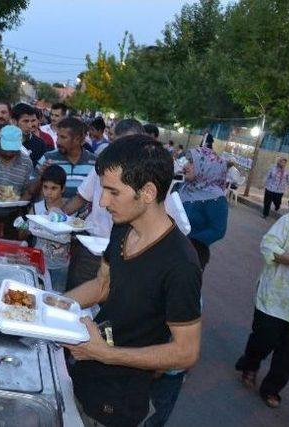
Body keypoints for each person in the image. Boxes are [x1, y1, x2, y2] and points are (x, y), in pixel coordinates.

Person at [64, 135, 202, 427]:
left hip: (121, 399)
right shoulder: (122, 228)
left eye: (113, 192)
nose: (102, 202)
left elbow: (186, 351)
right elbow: (104, 285)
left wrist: (107, 354)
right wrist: (56, 304)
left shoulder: (181, 264)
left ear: (148, 192)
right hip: (88, 371)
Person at [235, 202, 289, 408]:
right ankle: (250, 365)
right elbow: (267, 245)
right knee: (264, 339)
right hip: (275, 298)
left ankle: (272, 388)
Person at [63, 118, 145, 291]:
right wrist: (57, 217)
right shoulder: (102, 165)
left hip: (127, 255)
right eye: (118, 143)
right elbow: (81, 197)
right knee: (76, 295)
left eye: (130, 143)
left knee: (112, 303)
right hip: (92, 249)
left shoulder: (148, 176)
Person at [178, 139, 228, 270]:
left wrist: (189, 241)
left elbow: (218, 230)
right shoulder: (183, 186)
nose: (186, 166)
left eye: (191, 162)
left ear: (206, 166)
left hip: (192, 254)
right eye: (187, 161)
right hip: (167, 247)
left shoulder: (216, 198)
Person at [24, 165, 72, 292]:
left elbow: (75, 236)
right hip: (39, 262)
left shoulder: (70, 209)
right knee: (37, 293)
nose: (48, 192)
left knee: (56, 296)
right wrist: (24, 226)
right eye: (45, 187)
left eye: (54, 188)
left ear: (63, 189)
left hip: (60, 265)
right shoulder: (36, 208)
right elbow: (23, 234)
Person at [36, 117, 96, 199]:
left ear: (77, 139)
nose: (57, 142)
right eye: (58, 136)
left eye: (63, 137)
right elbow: (30, 191)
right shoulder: (47, 158)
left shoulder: (94, 163)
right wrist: (41, 175)